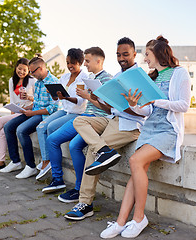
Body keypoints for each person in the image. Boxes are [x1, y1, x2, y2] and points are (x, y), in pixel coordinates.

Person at [99, 36, 191, 238]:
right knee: (136, 170)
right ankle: (121, 221)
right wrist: (133, 104)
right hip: (149, 128)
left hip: (168, 130)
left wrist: (158, 101)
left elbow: (184, 105)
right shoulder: (152, 77)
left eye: (147, 55)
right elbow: (147, 111)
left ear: (158, 53)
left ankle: (139, 218)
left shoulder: (179, 73)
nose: (145, 60)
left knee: (135, 160)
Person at [64, 37, 151, 220]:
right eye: (118, 54)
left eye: (125, 54)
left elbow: (145, 113)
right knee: (79, 121)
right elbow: (109, 109)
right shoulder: (117, 77)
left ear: (135, 54)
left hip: (130, 125)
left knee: (90, 152)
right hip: (113, 119)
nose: (121, 58)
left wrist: (129, 105)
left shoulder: (141, 77)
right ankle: (104, 150)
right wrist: (99, 99)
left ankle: (85, 203)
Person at [41, 47, 113, 204]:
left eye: (87, 61)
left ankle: (78, 188)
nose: (85, 64)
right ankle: (59, 180)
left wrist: (88, 97)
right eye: (85, 61)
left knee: (72, 145)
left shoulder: (106, 79)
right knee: (52, 139)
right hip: (85, 117)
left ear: (98, 61)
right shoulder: (91, 78)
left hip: (94, 119)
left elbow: (108, 108)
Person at [1, 56, 59, 179]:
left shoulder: (53, 82)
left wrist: (32, 113)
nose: (31, 74)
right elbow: (37, 103)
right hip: (34, 112)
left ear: (41, 68)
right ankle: (15, 162)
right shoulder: (38, 82)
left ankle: (30, 166)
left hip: (43, 115)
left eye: (32, 71)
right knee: (8, 126)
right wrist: (27, 109)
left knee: (21, 130)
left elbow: (52, 108)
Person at [35, 48, 88, 180]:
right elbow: (57, 99)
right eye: (68, 63)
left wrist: (65, 97)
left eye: (73, 63)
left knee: (52, 127)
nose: (70, 66)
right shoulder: (64, 77)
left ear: (80, 62)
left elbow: (80, 102)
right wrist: (54, 94)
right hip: (64, 110)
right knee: (43, 126)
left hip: (77, 113)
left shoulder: (84, 78)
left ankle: (54, 167)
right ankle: (48, 159)